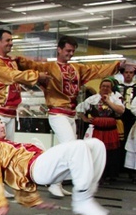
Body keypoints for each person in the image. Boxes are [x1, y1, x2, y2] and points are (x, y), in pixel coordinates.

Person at [17, 35, 121, 197]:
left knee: (64, 149)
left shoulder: (77, 69)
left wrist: (116, 65)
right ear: (59, 49)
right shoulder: (49, 67)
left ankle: (55, 182)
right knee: (72, 147)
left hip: (70, 115)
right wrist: (18, 60)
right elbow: (31, 65)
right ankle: (54, 181)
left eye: (72, 51)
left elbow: (96, 70)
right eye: (67, 50)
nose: (70, 54)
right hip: (57, 113)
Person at [0, 114, 107, 215]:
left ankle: (87, 192)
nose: (2, 125)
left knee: (96, 144)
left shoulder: (8, 144)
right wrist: (0, 203)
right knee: (78, 146)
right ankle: (81, 198)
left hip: (44, 167)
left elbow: (15, 175)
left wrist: (35, 202)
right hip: (36, 168)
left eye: (2, 122)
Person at [0, 29, 48, 141]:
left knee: (9, 148)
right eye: (8, 40)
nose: (11, 43)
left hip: (11, 112)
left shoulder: (12, 61)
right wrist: (36, 76)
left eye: (12, 40)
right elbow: (12, 75)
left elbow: (20, 76)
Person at [77, 78, 124, 183]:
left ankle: (111, 175)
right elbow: (79, 109)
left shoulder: (115, 99)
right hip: (97, 130)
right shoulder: (93, 99)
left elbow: (120, 111)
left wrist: (108, 101)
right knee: (97, 151)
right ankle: (99, 175)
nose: (105, 88)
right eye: (103, 86)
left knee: (111, 152)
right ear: (100, 87)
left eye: (108, 87)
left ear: (111, 88)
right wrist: (85, 119)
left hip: (110, 130)